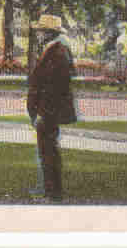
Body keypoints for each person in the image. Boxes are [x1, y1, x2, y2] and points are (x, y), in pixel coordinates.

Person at [26, 14, 78, 202]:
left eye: (40, 30)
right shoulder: (53, 50)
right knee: (46, 152)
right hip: (47, 112)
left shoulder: (57, 52)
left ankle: (53, 194)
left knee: (49, 152)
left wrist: (41, 112)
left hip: (48, 112)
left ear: (49, 33)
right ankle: (49, 192)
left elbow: (54, 88)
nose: (38, 34)